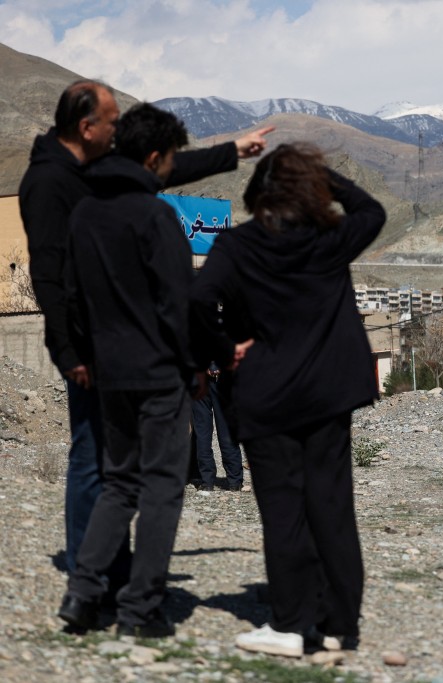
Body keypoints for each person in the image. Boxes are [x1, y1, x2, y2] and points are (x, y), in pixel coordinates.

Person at [17, 79, 272, 588]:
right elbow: (47, 276)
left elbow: (157, 167)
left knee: (114, 467)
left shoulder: (92, 170)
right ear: (87, 127)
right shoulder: (50, 183)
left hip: (110, 347)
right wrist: (68, 351)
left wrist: (231, 152)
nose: (117, 132)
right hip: (87, 350)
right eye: (111, 122)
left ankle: (105, 569)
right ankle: (93, 576)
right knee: (94, 460)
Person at [190, 143, 386, 657]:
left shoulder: (237, 245)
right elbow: (373, 211)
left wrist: (222, 349)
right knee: (332, 506)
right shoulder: (330, 238)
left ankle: (292, 626)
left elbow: (196, 299)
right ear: (312, 192)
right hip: (328, 394)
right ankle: (341, 625)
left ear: (258, 192)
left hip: (267, 394)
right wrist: (326, 178)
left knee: (283, 511)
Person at [56, 103, 205, 637]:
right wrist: (196, 365)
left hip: (108, 373)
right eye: (169, 162)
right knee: (163, 487)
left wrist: (85, 356)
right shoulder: (154, 215)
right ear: (153, 157)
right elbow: (178, 300)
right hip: (159, 371)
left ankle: (82, 594)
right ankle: (141, 610)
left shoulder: (85, 213)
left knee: (119, 484)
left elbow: (72, 297)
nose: (169, 171)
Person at [191, 363, 244, 491]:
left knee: (202, 432)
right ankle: (234, 480)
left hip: (198, 377)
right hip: (221, 376)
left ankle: (207, 481)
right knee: (225, 429)